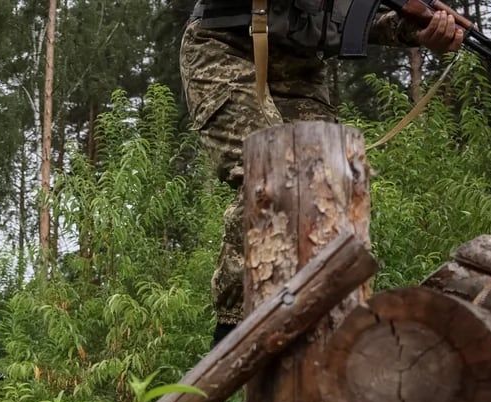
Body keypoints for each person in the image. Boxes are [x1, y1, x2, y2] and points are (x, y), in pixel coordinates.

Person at [180, 0, 464, 344]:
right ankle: (233, 337)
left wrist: (417, 30)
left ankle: (327, 334)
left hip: (301, 68)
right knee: (275, 178)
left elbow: (359, 19)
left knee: (334, 190)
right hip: (227, 46)